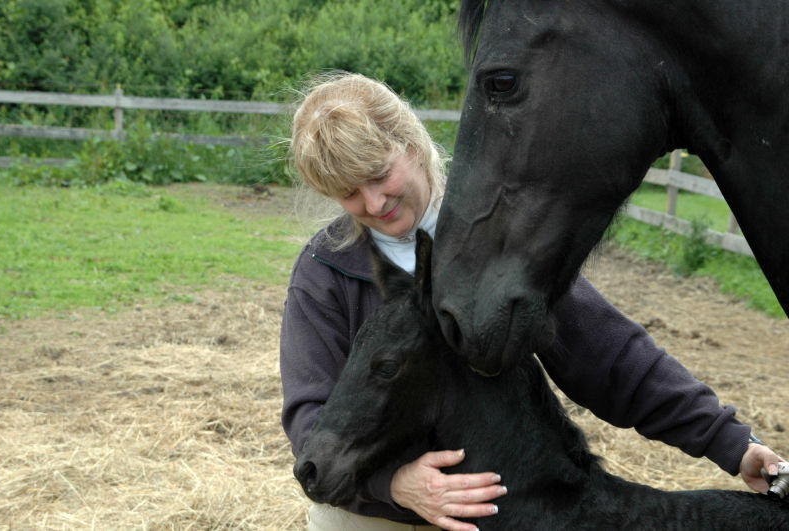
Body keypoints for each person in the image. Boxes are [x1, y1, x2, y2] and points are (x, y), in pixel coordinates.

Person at [279, 72, 785, 531]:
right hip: (382, 507)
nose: (372, 203)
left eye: (378, 175)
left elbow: (608, 358)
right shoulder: (325, 272)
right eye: (348, 192)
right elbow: (310, 414)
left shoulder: (500, 247)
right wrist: (394, 484)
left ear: (409, 145)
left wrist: (730, 444)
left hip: (505, 507)